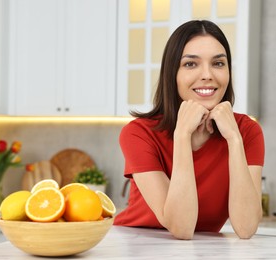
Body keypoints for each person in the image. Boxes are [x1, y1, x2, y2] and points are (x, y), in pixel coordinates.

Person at [114, 20, 265, 240]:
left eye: (218, 63)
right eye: (191, 64)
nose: (207, 75)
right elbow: (181, 227)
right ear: (172, 73)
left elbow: (246, 227)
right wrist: (183, 135)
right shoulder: (138, 133)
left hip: (203, 249)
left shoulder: (247, 131)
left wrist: (234, 139)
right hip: (136, 242)